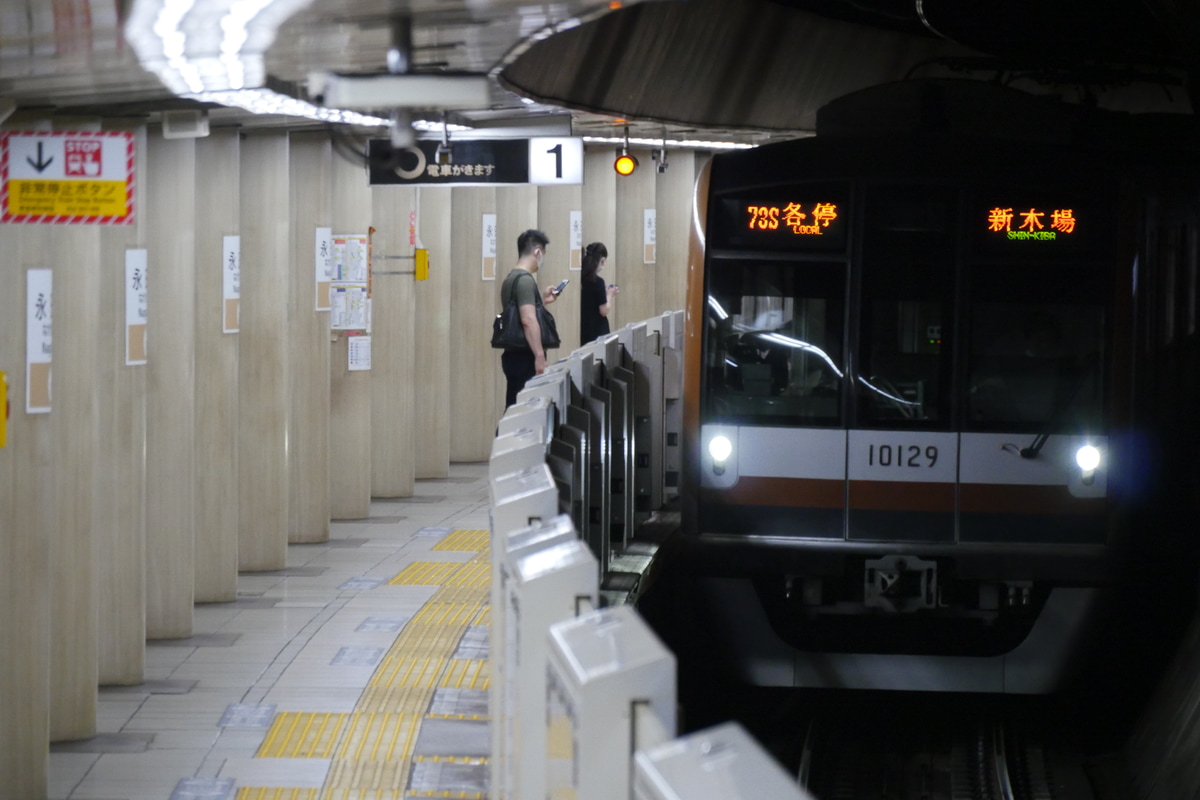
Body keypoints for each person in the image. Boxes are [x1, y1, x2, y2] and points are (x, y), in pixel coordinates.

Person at [499, 229, 559, 407]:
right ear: (537, 252)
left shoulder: (511, 278)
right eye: (543, 255)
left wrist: (542, 300)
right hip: (524, 357)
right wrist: (539, 355)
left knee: (514, 405)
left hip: (513, 355)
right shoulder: (525, 280)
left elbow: (519, 314)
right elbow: (527, 320)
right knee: (523, 410)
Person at [579, 241, 618, 344]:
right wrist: (609, 295)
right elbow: (603, 310)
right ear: (602, 260)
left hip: (583, 329)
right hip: (597, 331)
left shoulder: (581, 279)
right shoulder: (598, 282)